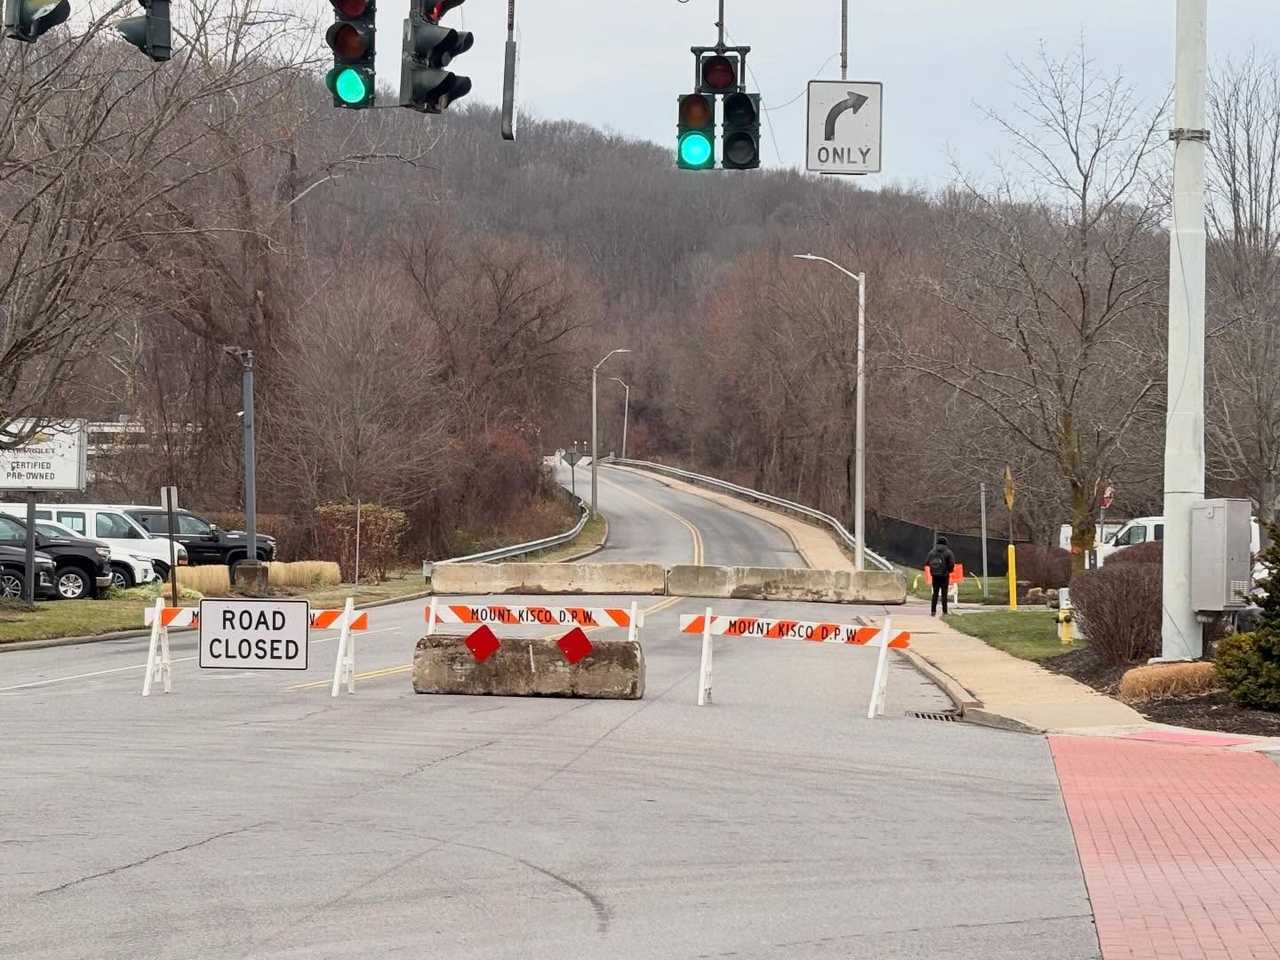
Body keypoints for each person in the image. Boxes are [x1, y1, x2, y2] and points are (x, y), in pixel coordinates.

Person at [926, 536, 957, 616]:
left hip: (935, 575)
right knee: (944, 594)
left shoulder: (932, 552)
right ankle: (945, 611)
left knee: (935, 594)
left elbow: (927, 562)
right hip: (944, 576)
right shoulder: (948, 552)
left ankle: (933, 611)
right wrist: (949, 571)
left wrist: (933, 570)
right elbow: (951, 564)